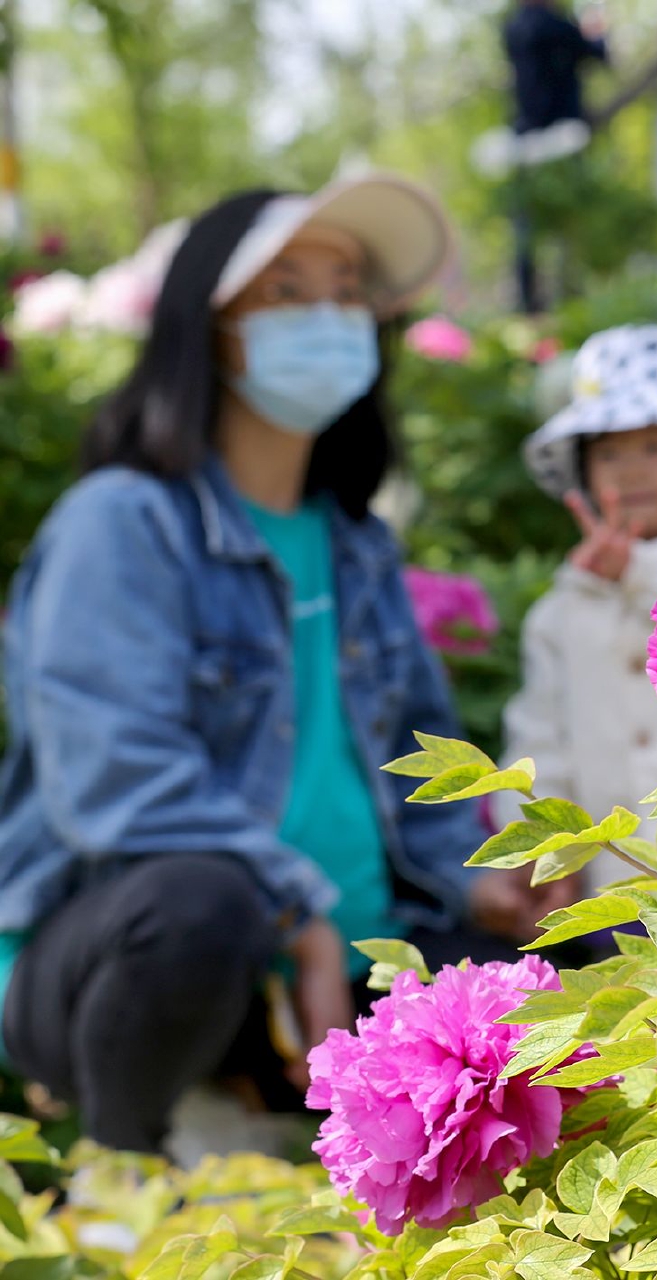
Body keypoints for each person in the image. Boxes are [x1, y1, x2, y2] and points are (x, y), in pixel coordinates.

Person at [0, 176, 574, 1152]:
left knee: (569, 969)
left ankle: (300, 1124)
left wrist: (479, 882)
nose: (327, 314)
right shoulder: (124, 523)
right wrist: (294, 906)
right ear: (207, 326)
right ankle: (128, 1156)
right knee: (203, 908)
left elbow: (418, 755)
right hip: (132, 963)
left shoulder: (356, 543)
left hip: (350, 952)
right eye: (285, 289)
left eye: (347, 288)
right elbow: (120, 779)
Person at [497, 327, 657, 866]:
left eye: (655, 445)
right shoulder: (560, 611)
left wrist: (638, 570)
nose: (632, 468)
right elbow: (538, 739)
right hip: (615, 884)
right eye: (609, 452)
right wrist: (535, 850)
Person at [503, 0, 608, 313]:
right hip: (564, 137)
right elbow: (598, 55)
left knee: (525, 228)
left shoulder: (513, 26)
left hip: (524, 135)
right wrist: (597, 32)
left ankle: (527, 305)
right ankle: (571, 301)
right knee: (569, 225)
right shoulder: (559, 26)